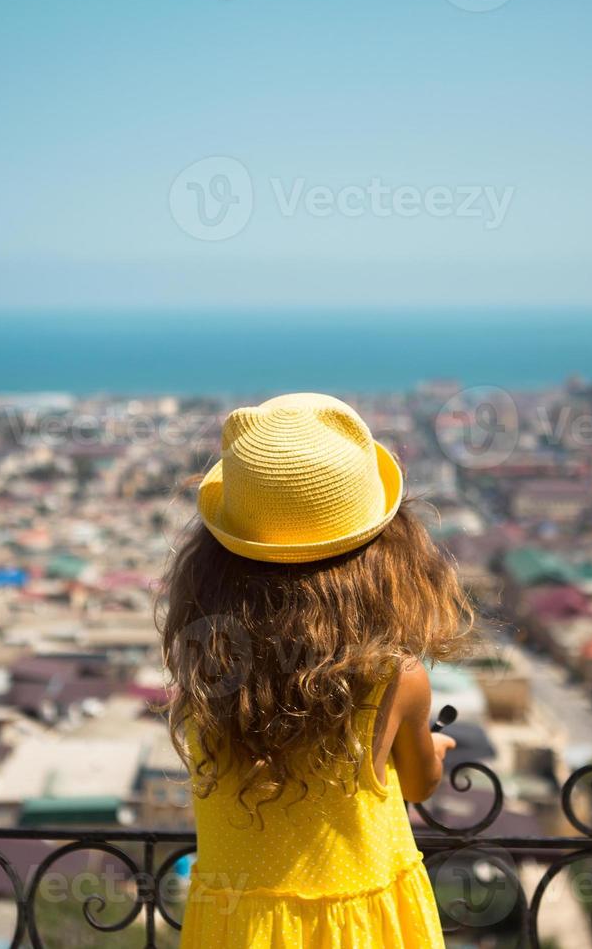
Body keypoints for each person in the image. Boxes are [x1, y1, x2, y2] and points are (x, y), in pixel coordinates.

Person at [161, 392, 473, 947]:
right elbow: (421, 784)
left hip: (238, 930)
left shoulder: (212, 673)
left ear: (213, 566)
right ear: (386, 558)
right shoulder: (395, 678)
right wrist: (433, 750)